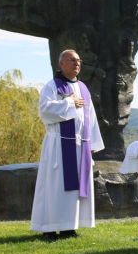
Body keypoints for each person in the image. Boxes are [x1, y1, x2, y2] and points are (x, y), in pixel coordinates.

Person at [30, 49, 104, 240]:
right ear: (61, 63)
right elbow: (44, 111)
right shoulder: (52, 86)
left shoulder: (84, 88)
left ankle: (68, 227)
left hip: (80, 146)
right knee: (55, 187)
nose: (77, 63)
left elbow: (91, 118)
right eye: (72, 60)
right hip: (58, 145)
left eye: (79, 60)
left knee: (74, 190)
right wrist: (69, 103)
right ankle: (49, 228)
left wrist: (92, 143)